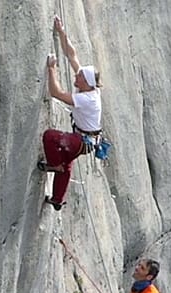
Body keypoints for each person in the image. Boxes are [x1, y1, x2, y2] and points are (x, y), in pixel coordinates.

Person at [39, 15, 102, 211]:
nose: (77, 75)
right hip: (84, 140)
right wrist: (61, 30)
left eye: (80, 76)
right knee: (67, 162)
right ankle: (57, 199)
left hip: (83, 141)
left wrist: (52, 69)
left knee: (50, 137)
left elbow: (56, 93)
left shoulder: (87, 98)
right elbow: (72, 55)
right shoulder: (87, 86)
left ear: (87, 83)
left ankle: (54, 165)